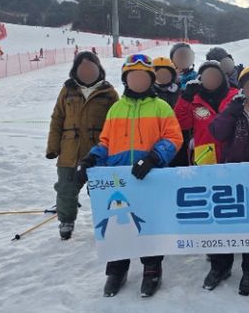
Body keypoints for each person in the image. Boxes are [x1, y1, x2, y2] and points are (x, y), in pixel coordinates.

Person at [75, 54, 183, 298]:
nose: (138, 80)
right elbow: (105, 142)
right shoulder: (117, 108)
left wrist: (154, 157)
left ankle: (152, 268)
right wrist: (91, 159)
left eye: (143, 76)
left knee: (149, 223)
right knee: (118, 225)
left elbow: (174, 137)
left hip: (149, 177)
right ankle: (117, 270)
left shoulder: (161, 107)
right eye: (133, 76)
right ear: (126, 79)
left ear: (151, 79)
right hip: (119, 179)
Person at [173, 61, 240, 291]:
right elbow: (180, 122)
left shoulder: (234, 95)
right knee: (213, 210)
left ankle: (236, 246)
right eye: (206, 76)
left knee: (233, 207)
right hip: (206, 158)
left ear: (222, 77)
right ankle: (219, 264)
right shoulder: (194, 99)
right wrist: (185, 98)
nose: (211, 79)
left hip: (233, 158)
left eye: (215, 75)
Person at [208, 67, 249, 296]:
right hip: (230, 175)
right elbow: (217, 132)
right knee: (226, 223)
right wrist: (231, 112)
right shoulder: (233, 107)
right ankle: (219, 267)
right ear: (243, 88)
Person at [46, 51, 118, 241]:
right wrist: (53, 147)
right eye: (82, 68)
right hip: (70, 151)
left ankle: (107, 220)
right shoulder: (67, 90)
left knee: (100, 190)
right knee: (66, 189)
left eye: (91, 68)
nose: (87, 72)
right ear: (76, 70)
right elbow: (57, 118)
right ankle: (66, 220)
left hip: (98, 152)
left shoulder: (109, 93)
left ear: (98, 69)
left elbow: (117, 123)